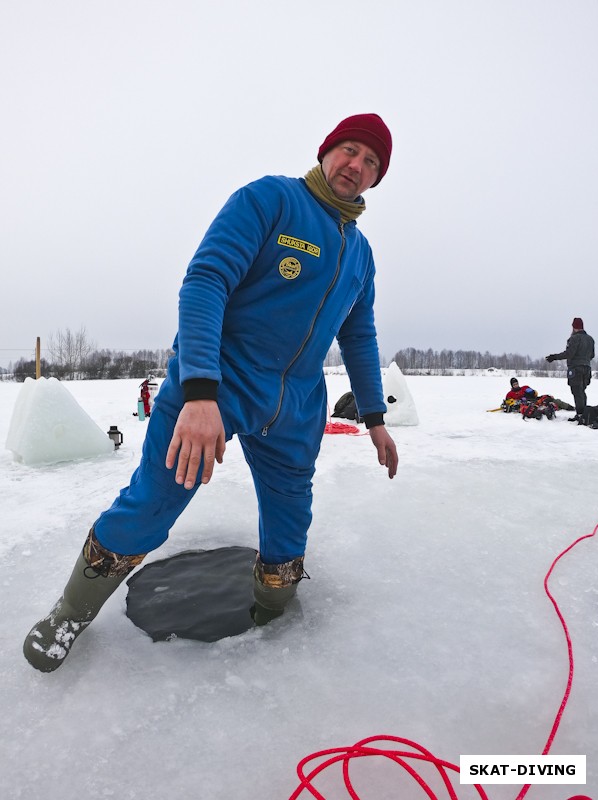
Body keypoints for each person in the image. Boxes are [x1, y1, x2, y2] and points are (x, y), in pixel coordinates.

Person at [23, 113, 400, 672]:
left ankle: (273, 610)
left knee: (290, 516)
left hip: (295, 402)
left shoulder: (361, 254)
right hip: (218, 381)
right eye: (349, 150)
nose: (356, 165)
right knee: (152, 502)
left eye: (371, 162)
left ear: (375, 179)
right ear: (326, 153)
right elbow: (206, 280)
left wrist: (373, 416)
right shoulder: (270, 200)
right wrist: (200, 393)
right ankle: (69, 614)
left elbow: (360, 334)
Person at [546, 317, 595, 422]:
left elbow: (569, 353)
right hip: (587, 368)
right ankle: (583, 414)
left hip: (576, 369)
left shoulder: (574, 338)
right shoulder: (590, 339)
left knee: (577, 391)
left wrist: (554, 357)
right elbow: (592, 355)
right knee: (582, 391)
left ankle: (581, 415)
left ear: (574, 327)